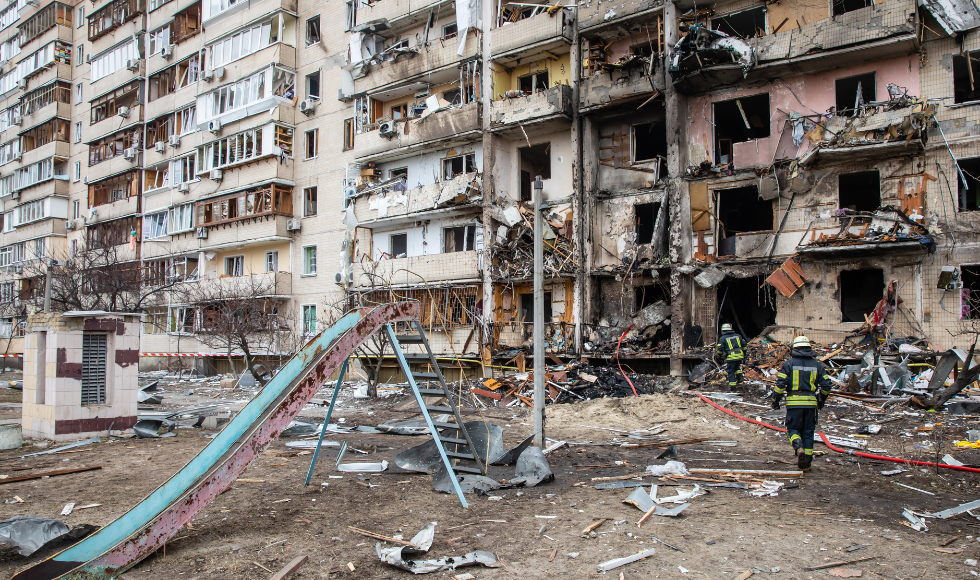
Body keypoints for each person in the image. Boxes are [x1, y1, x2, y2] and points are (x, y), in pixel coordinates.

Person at [771, 336, 832, 471]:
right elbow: (827, 386)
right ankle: (806, 464)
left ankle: (798, 447)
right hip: (811, 404)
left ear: (794, 349)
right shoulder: (817, 365)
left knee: (793, 429)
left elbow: (780, 385)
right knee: (808, 432)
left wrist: (776, 400)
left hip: (794, 404)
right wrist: (821, 399)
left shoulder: (788, 365)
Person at [715, 323, 746, 391]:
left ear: (723, 331)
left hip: (731, 357)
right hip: (739, 356)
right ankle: (740, 378)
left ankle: (733, 387)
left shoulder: (723, 338)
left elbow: (720, 349)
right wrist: (744, 354)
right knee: (737, 367)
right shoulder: (738, 336)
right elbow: (744, 345)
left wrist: (719, 356)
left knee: (731, 371)